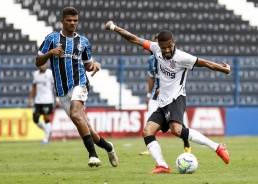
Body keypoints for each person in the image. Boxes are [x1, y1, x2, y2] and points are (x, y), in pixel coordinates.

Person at [106, 21, 230, 174]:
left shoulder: (182, 57)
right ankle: (162, 165)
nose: (166, 50)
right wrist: (113, 27)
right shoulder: (155, 48)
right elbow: (134, 39)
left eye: (169, 46)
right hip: (163, 101)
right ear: (159, 45)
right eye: (163, 47)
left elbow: (205, 63)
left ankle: (217, 147)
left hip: (176, 98)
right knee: (147, 131)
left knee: (176, 130)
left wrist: (225, 70)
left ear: (174, 43)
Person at [35, 7, 118, 168]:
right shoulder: (52, 38)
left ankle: (93, 155)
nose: (73, 23)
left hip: (80, 83)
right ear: (62, 21)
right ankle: (108, 147)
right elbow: (38, 61)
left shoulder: (83, 41)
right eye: (69, 20)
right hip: (62, 90)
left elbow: (87, 65)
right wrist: (50, 52)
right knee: (87, 128)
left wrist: (94, 65)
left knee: (75, 113)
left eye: (75, 20)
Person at [139, 33, 191, 156]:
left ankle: (186, 143)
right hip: (155, 95)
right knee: (150, 122)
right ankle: (150, 148)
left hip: (169, 94)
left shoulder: (173, 59)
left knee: (177, 125)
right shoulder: (152, 60)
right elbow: (151, 78)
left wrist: (164, 86)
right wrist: (148, 94)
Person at [28, 63, 59, 145]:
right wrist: (30, 98)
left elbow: (56, 86)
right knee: (35, 118)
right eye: (41, 65)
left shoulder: (50, 73)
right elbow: (34, 87)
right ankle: (47, 130)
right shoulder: (35, 74)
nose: (43, 66)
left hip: (47, 100)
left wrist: (57, 99)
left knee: (46, 118)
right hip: (38, 100)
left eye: (44, 64)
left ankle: (45, 139)